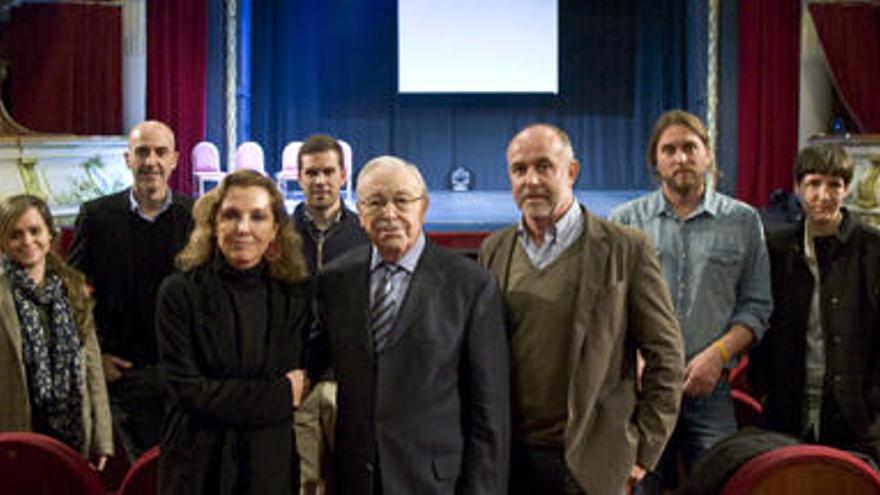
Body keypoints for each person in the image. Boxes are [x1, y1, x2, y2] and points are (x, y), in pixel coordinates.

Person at [480, 123, 684, 495]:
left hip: (595, 465)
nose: (531, 180)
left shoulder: (626, 248)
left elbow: (666, 356)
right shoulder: (494, 249)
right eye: (519, 170)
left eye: (544, 167)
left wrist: (642, 454)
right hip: (512, 462)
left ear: (571, 172)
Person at [316, 155, 510, 494]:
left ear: (424, 207)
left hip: (435, 483)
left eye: (402, 200)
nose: (389, 213)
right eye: (375, 202)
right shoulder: (335, 280)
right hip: (355, 479)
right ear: (359, 213)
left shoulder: (471, 285)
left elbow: (489, 410)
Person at [609, 110, 772, 492]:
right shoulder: (624, 221)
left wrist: (716, 356)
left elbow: (757, 305)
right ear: (656, 160)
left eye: (689, 148)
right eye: (670, 150)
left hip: (711, 388)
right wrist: (634, 354)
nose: (680, 157)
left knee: (721, 485)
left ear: (708, 155)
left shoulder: (744, 221)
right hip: (643, 390)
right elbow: (610, 308)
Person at [155, 170, 310, 494]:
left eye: (257, 217)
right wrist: (278, 394)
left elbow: (300, 383)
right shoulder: (179, 292)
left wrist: (223, 394)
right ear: (213, 224)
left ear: (275, 229)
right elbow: (189, 393)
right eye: (231, 215)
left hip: (267, 468)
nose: (243, 228)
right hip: (196, 467)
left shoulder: (294, 295)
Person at [67, 120, 194, 460]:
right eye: (142, 152)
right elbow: (71, 293)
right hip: (123, 373)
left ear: (175, 160)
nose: (151, 161)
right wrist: (96, 358)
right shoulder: (96, 217)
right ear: (127, 159)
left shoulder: (197, 216)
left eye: (160, 152)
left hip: (184, 373)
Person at [750, 143, 880, 462]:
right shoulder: (776, 247)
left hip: (855, 412)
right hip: (786, 403)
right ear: (797, 188)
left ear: (846, 189)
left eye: (834, 185)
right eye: (813, 184)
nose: (823, 195)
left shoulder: (873, 248)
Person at [0, 194, 113, 467]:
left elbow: (93, 368)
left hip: (74, 432)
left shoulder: (73, 289)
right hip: (19, 430)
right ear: (3, 243)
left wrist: (103, 440)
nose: (27, 241)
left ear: (50, 234)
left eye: (34, 231)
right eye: (16, 235)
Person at [291, 134, 369, 494]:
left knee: (356, 478)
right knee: (306, 482)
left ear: (343, 175)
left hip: (349, 381)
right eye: (311, 173)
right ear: (298, 175)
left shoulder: (366, 234)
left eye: (327, 172)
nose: (320, 181)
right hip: (297, 382)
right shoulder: (278, 235)